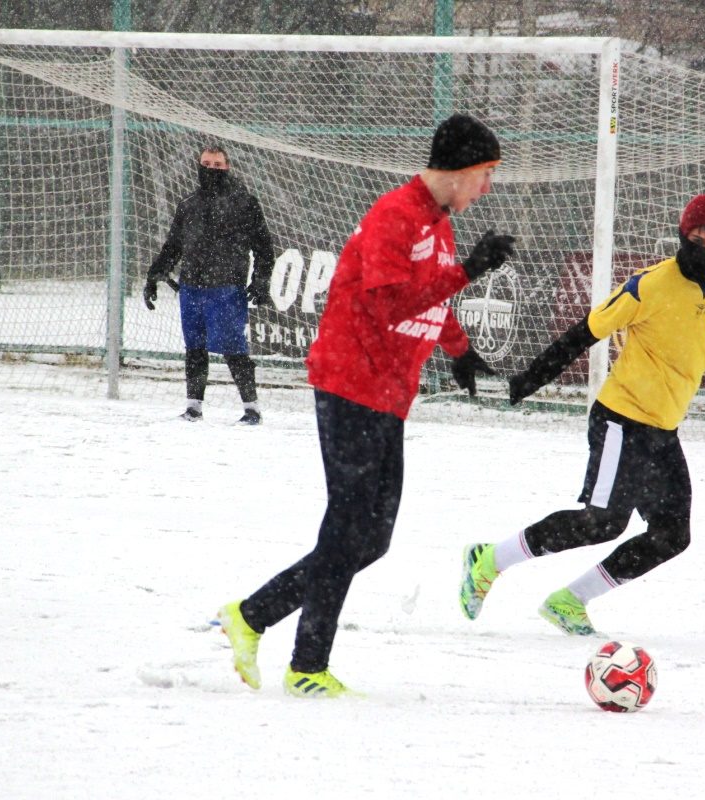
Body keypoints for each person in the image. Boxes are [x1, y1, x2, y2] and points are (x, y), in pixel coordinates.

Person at [458, 194, 705, 634]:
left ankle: (570, 602)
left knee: (672, 535)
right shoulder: (649, 286)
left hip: (662, 432)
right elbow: (584, 333)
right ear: (682, 232)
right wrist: (529, 379)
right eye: (698, 231)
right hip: (620, 419)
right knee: (602, 524)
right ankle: (490, 560)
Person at [215, 114, 515, 698]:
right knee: (347, 529)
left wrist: (459, 349)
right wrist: (467, 272)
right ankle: (306, 667)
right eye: (484, 173)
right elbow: (386, 307)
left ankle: (250, 617)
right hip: (351, 383)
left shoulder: (440, 222)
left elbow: (427, 298)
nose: (487, 187)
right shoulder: (394, 216)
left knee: (370, 539)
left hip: (388, 392)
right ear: (456, 170)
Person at [143, 145, 275, 425]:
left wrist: (261, 279)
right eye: (206, 164)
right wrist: (154, 274)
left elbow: (264, 246)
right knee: (195, 348)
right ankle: (193, 408)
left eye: (217, 165)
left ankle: (252, 410)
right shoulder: (188, 204)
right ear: (198, 166)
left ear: (227, 167)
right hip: (191, 287)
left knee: (233, 349)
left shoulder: (244, 202)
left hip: (227, 288)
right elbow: (174, 246)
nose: (211, 170)